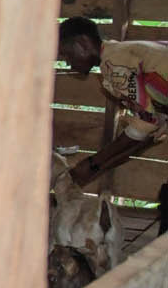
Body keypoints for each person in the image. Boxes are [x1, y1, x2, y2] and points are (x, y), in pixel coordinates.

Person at [57, 16, 168, 184]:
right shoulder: (122, 52)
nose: (68, 63)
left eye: (67, 55)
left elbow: (147, 121)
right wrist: (97, 165)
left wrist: (93, 162)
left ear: (83, 43)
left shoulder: (114, 65)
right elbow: (153, 122)